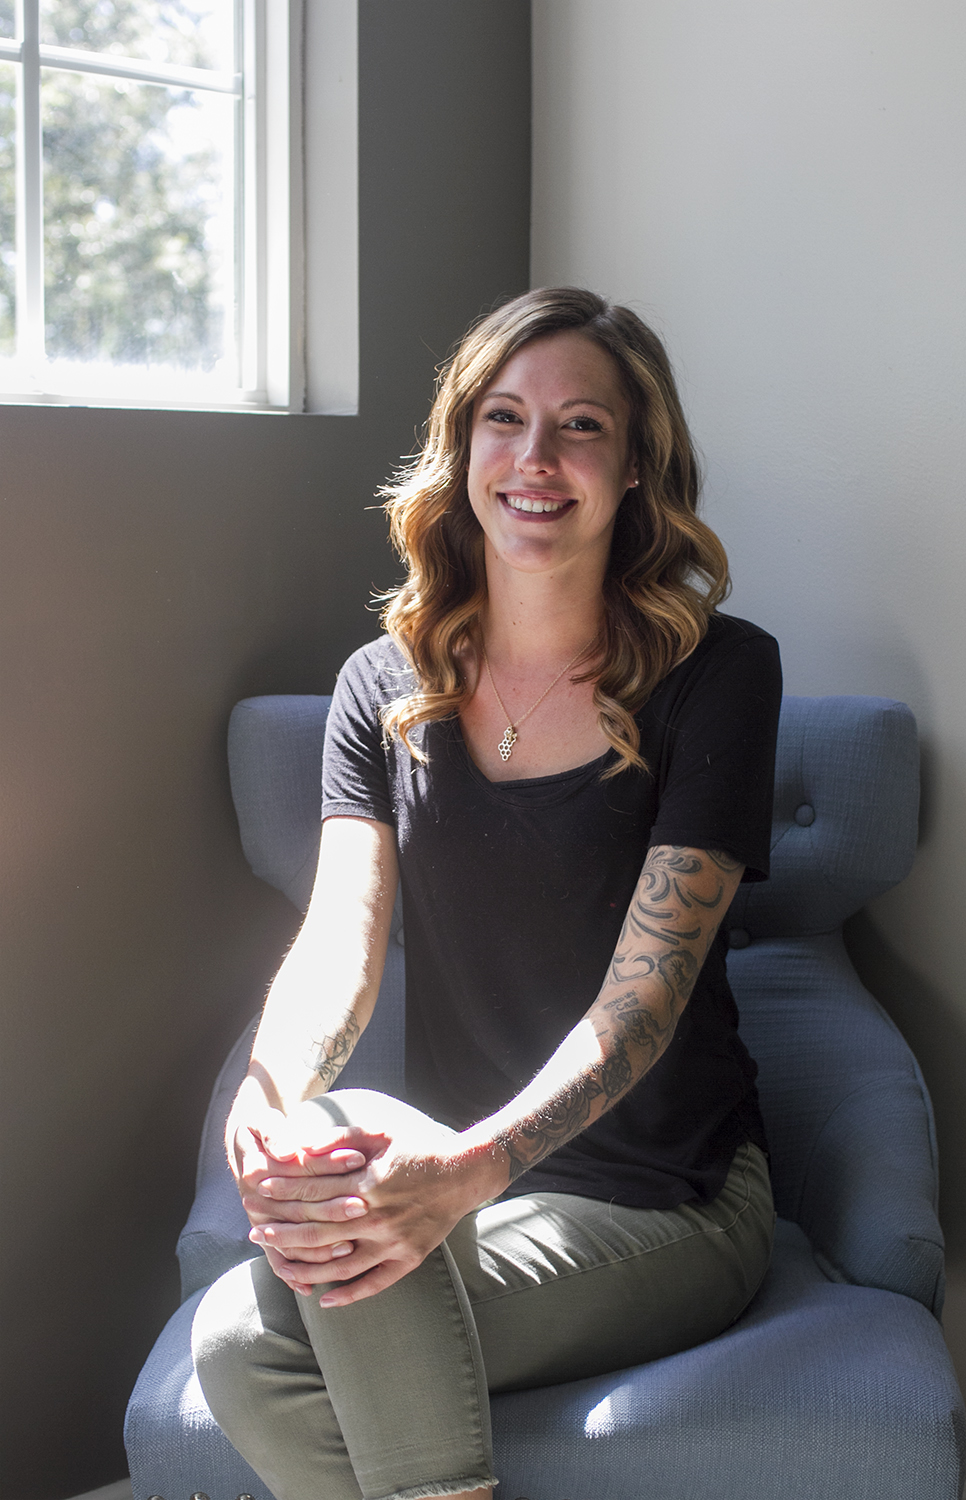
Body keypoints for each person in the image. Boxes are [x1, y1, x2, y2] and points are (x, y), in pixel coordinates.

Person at [192, 287, 783, 1500]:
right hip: (451, 1178)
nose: (535, 458)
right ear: (461, 452)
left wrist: (470, 1169)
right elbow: (339, 944)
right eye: (504, 419)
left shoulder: (720, 673)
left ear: (635, 469)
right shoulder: (384, 685)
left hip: (665, 1198)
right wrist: (271, 1088)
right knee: (240, 1338)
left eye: (581, 428)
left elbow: (642, 1009)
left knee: (289, 1327)